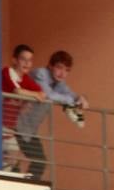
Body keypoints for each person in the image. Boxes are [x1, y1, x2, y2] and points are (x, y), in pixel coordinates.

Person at [16, 51, 89, 182]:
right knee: (15, 161)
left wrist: (80, 98)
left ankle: (28, 189)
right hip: (15, 124)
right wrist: (71, 101)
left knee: (39, 162)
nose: (62, 73)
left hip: (28, 129)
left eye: (67, 70)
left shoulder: (58, 83)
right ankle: (22, 187)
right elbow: (48, 95)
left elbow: (69, 93)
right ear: (50, 66)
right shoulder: (40, 74)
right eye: (59, 68)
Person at [2, 44, 47, 173]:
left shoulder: (25, 79)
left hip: (9, 127)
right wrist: (33, 95)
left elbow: (42, 94)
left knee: (13, 157)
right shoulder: (7, 71)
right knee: (10, 156)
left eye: (30, 60)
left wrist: (30, 98)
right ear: (14, 60)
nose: (27, 63)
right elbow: (16, 91)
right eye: (23, 59)